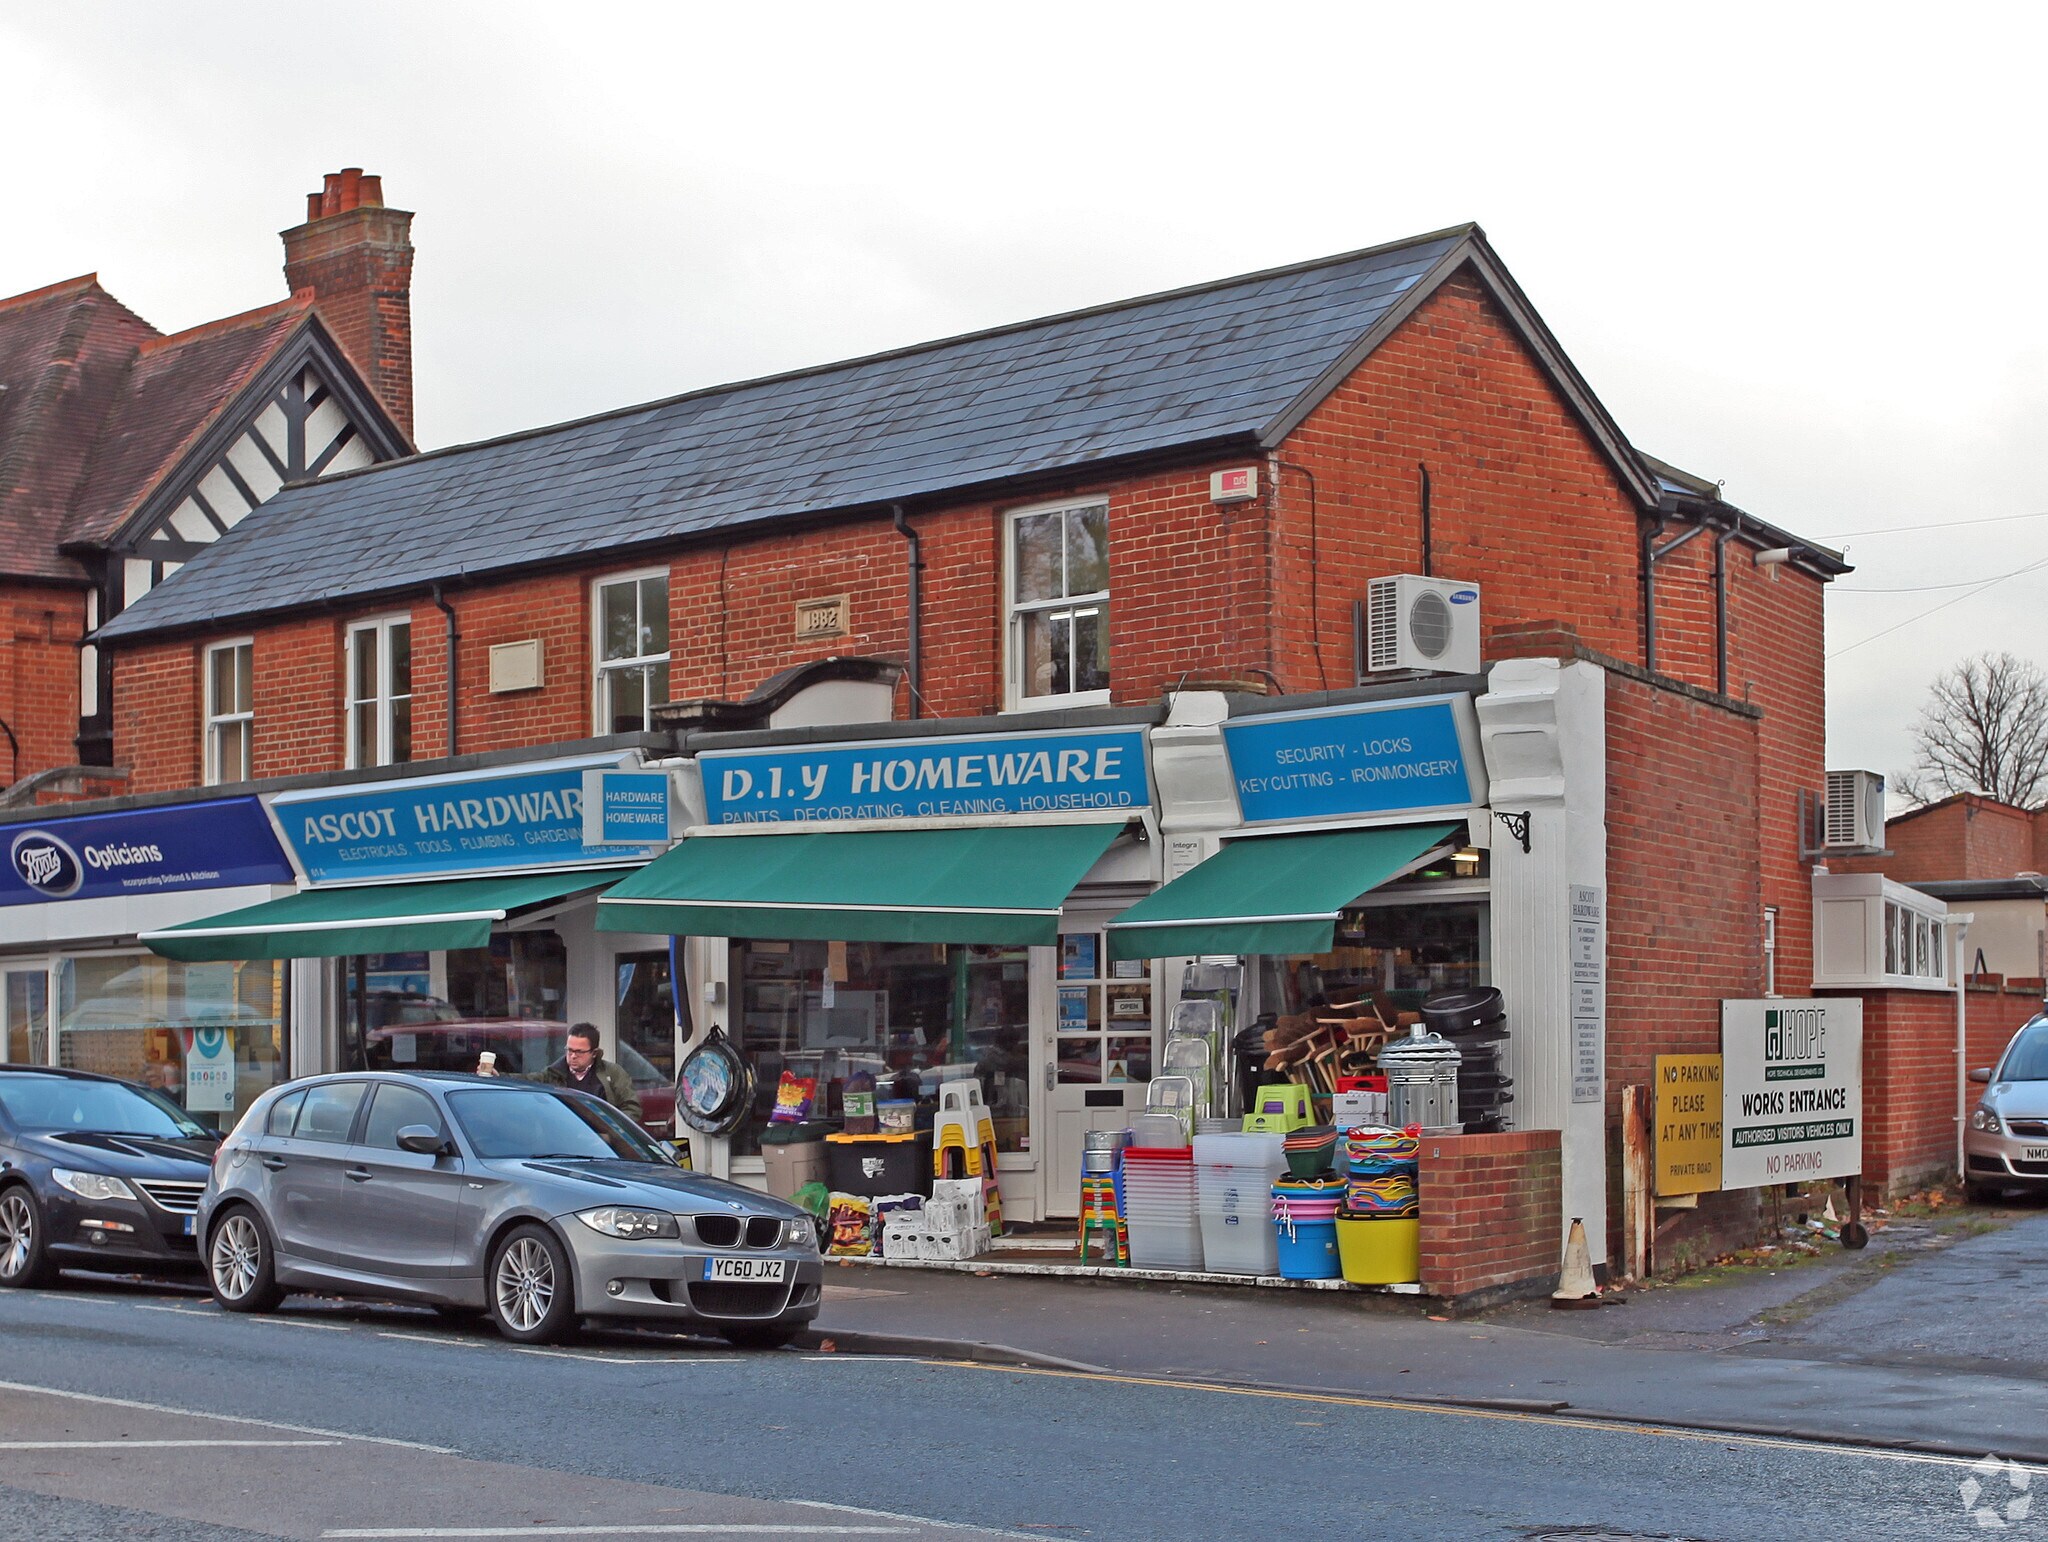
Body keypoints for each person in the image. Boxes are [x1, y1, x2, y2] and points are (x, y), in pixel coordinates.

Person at [476, 1022, 643, 1123]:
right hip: (565, 1140)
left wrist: (610, 1131)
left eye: (579, 1052)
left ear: (594, 1052)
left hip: (602, 1141)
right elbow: (528, 1080)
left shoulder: (612, 1073)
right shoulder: (554, 1073)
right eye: (569, 1050)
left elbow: (632, 1108)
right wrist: (500, 1077)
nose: (573, 1056)